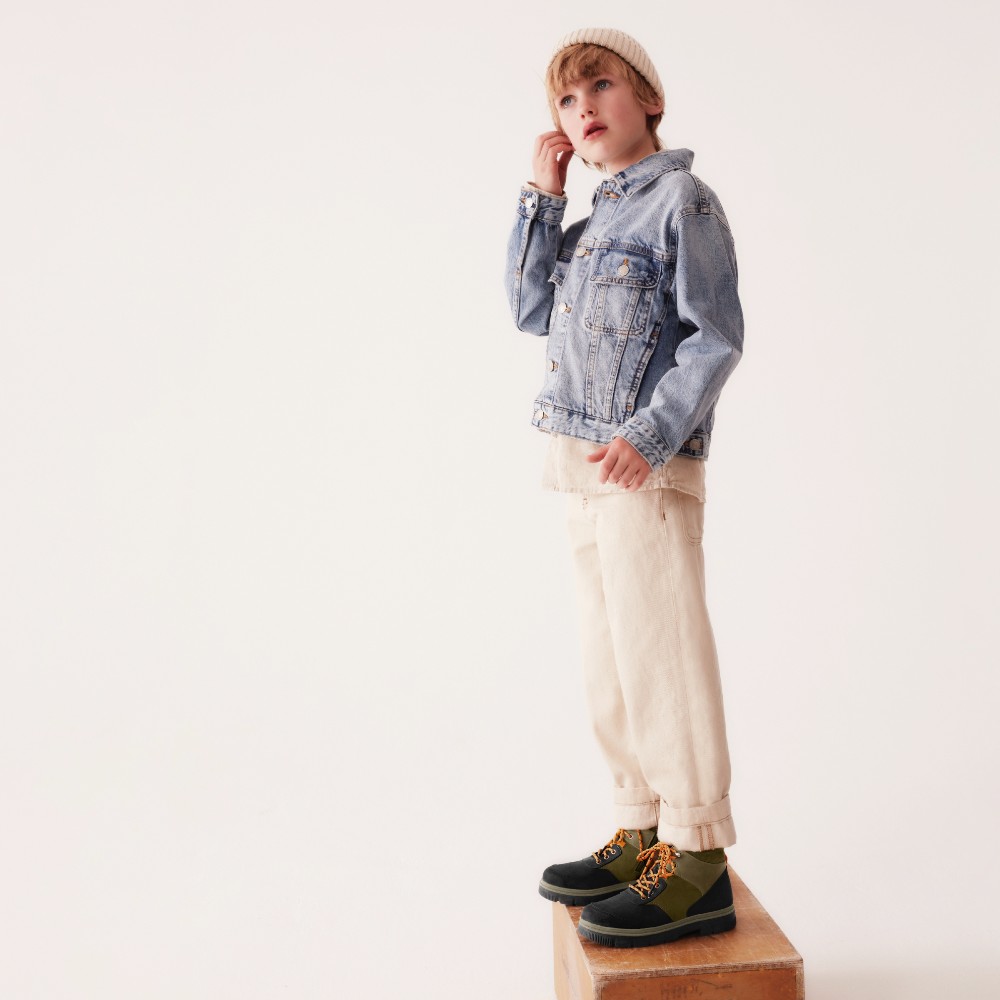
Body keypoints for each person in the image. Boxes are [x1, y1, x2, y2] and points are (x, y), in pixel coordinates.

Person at [503, 27, 745, 949]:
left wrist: (650, 436)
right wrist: (543, 192)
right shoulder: (594, 217)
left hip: (645, 462)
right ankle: (641, 830)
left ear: (649, 97)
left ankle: (696, 862)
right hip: (581, 460)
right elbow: (529, 308)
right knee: (610, 657)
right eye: (566, 100)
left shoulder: (681, 201)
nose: (584, 109)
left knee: (663, 654)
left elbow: (715, 336)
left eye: (600, 86)